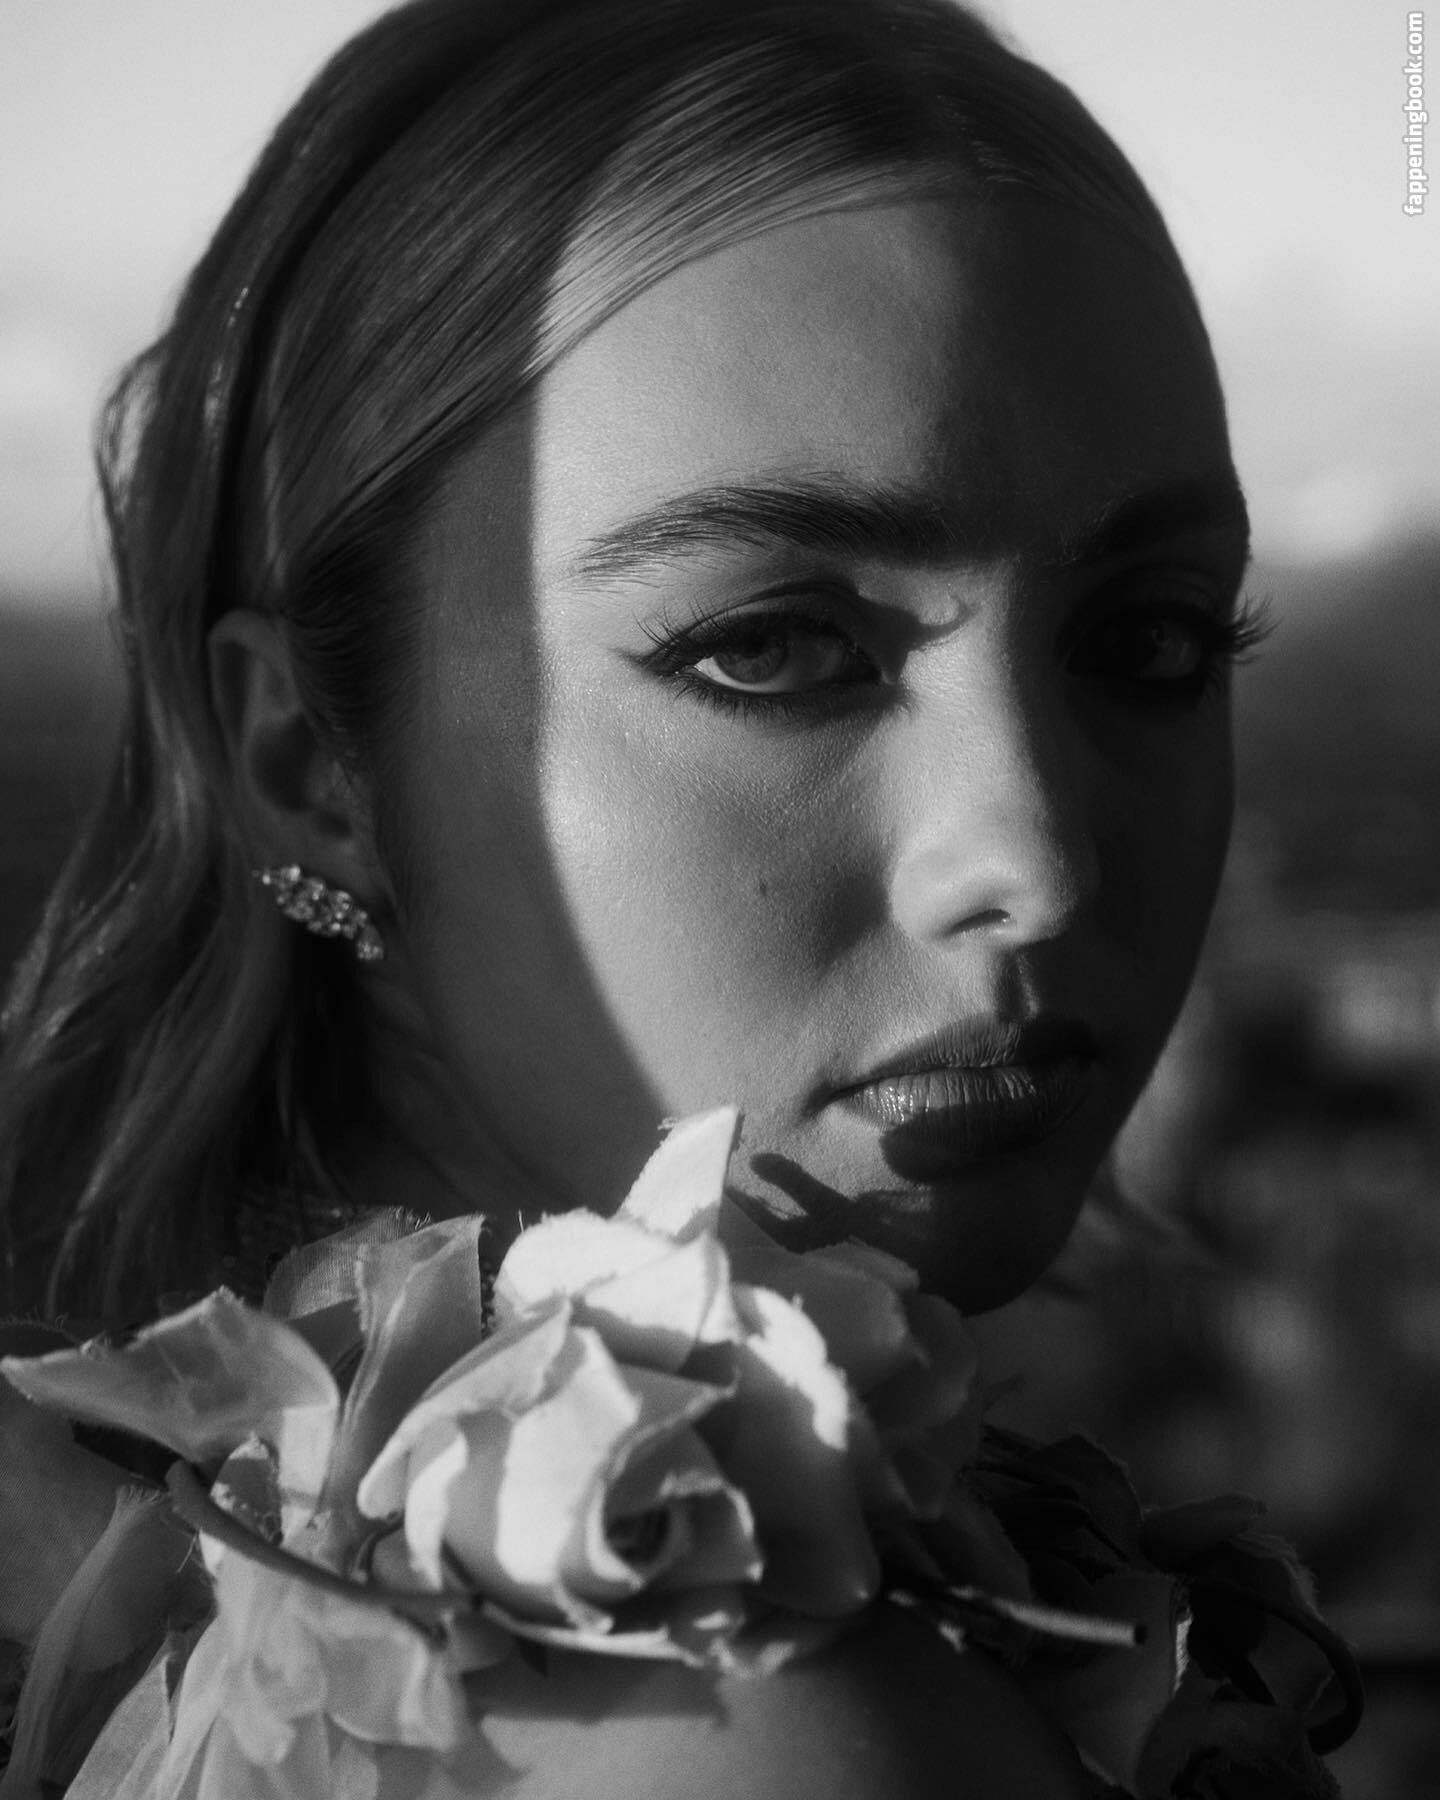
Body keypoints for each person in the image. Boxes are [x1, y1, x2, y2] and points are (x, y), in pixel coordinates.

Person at [0, 2, 1348, 1795]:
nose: (1036, 859)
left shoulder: (165, 1583)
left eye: (1153, 639)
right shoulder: (747, 1728)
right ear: (315, 760)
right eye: (772, 648)